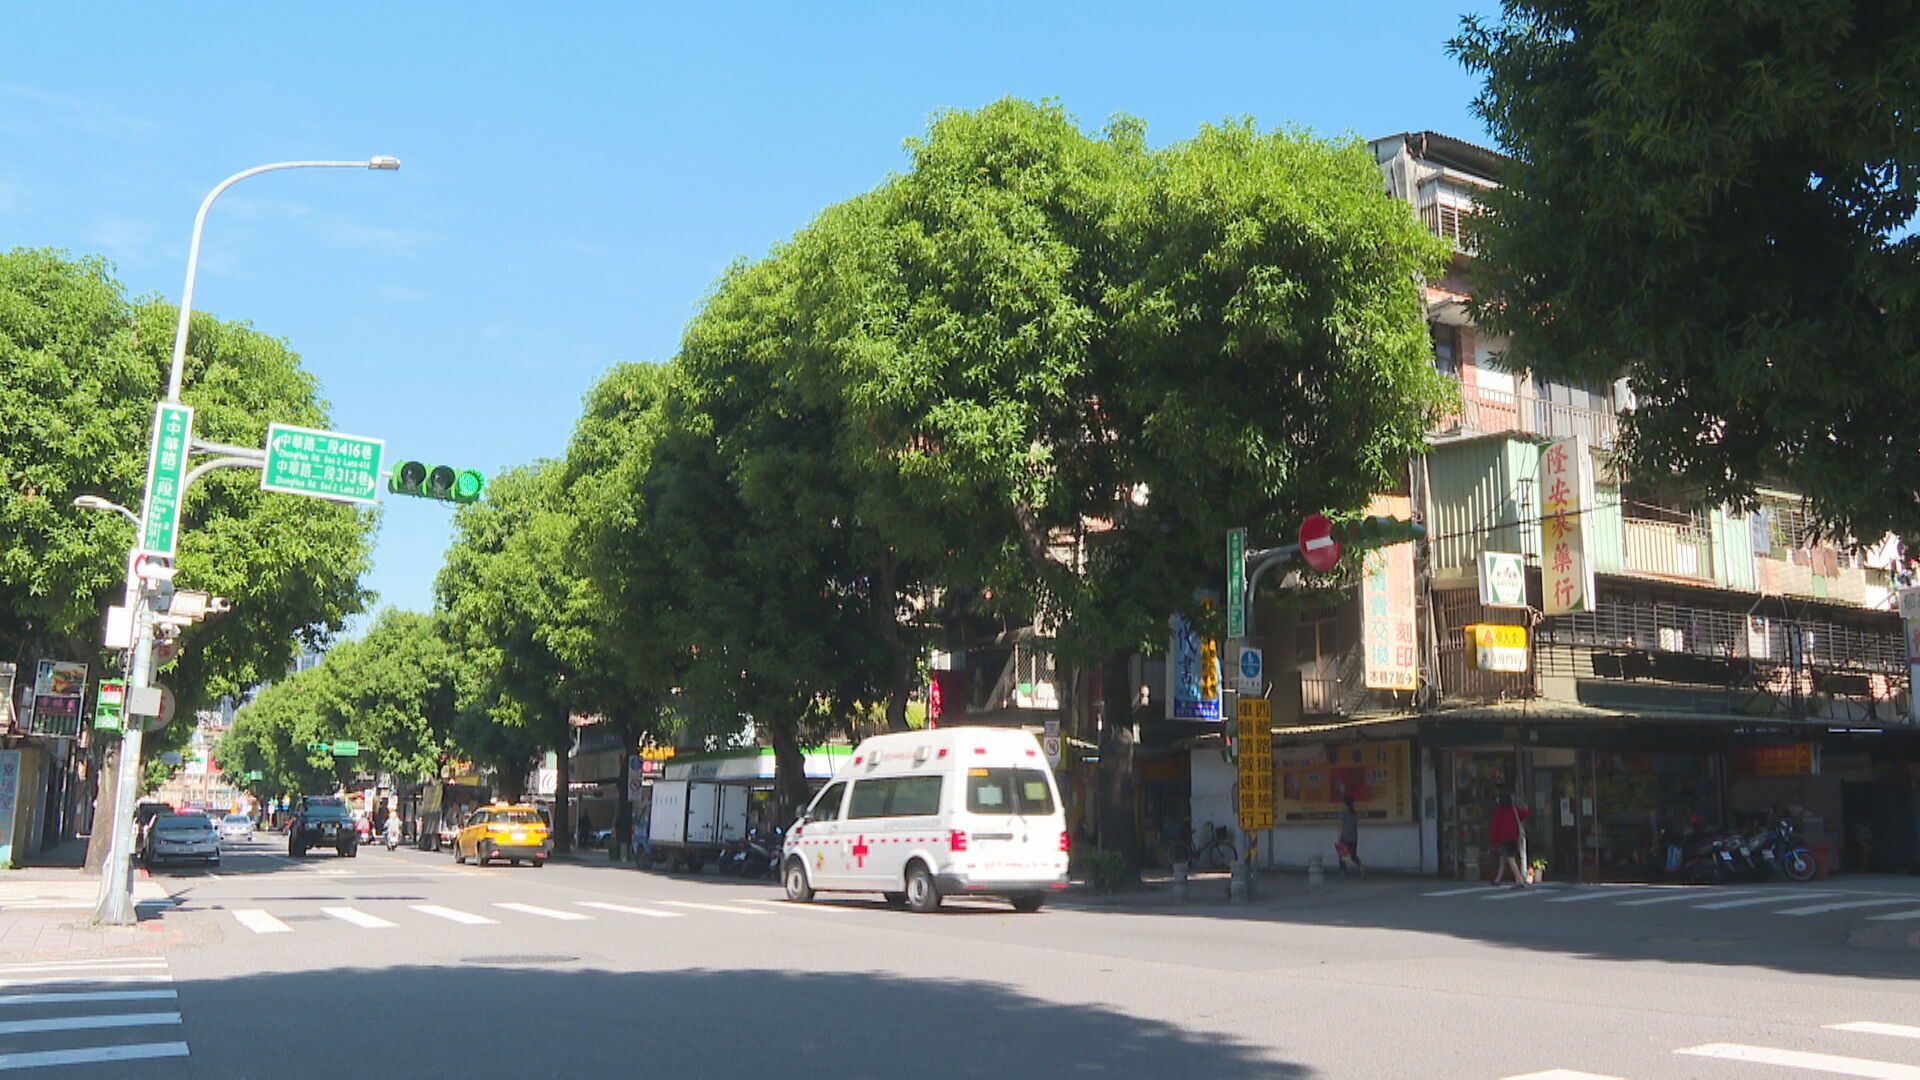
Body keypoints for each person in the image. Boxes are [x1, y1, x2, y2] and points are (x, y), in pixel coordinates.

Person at [1490, 792, 1531, 888]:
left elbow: (1495, 826)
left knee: (1510, 858)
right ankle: (1498, 879)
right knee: (1503, 858)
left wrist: (1493, 840)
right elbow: (1525, 813)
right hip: (1513, 837)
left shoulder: (1499, 810)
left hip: (1503, 838)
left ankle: (1520, 880)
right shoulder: (1513, 809)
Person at [1336, 795, 1365, 877]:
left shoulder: (1342, 813)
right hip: (1354, 837)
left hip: (1345, 837)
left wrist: (1339, 838)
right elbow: (1355, 825)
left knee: (1342, 855)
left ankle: (1343, 872)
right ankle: (1360, 866)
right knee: (1353, 855)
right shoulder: (1354, 814)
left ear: (1345, 803)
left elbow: (1341, 827)